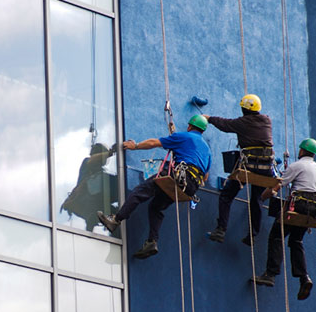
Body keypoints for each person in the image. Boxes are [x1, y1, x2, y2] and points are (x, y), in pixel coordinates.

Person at [97, 115, 211, 259]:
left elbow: (153, 142)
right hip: (190, 187)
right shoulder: (207, 150)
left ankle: (116, 220)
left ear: (189, 126)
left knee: (139, 192)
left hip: (179, 176)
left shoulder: (184, 137)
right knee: (156, 208)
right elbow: (205, 176)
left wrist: (135, 146)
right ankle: (151, 242)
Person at [252, 138, 316, 300]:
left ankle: (270, 274)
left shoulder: (297, 165)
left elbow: (277, 186)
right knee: (295, 241)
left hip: (299, 205)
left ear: (302, 151)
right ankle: (304, 277)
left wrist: (261, 198)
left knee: (276, 235)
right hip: (313, 209)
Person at [204, 94, 275, 245]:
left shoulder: (243, 123)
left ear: (245, 109)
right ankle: (253, 235)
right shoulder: (267, 120)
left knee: (226, 195)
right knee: (256, 200)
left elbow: (225, 124)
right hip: (266, 169)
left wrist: (209, 118)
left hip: (249, 167)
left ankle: (220, 230)